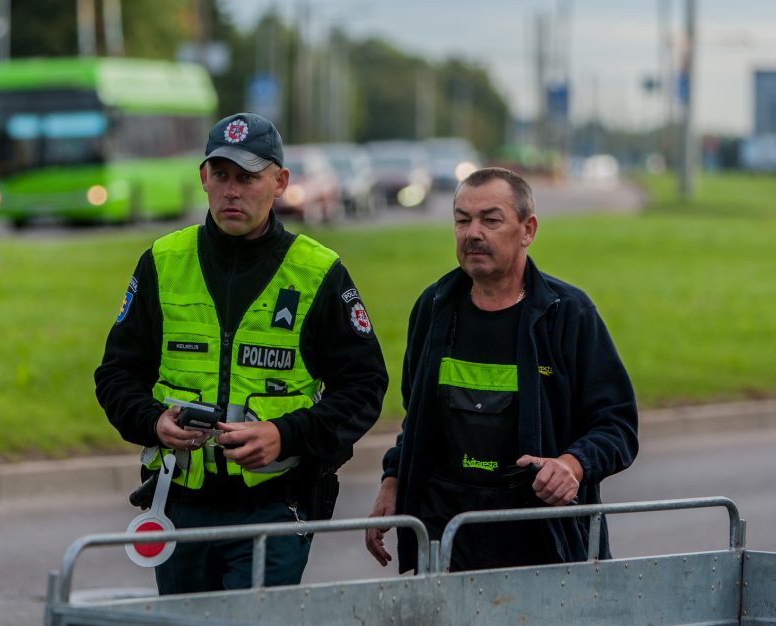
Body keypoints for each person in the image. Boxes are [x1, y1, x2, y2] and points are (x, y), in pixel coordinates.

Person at [95, 112, 388, 594]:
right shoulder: (163, 262)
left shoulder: (318, 272)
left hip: (274, 506)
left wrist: (285, 435)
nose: (233, 191)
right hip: (180, 506)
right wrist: (151, 421)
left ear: (280, 182)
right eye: (222, 176)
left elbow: (364, 386)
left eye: (249, 177)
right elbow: (116, 375)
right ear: (204, 178)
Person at [365, 167, 638, 573]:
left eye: (490, 220)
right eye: (462, 220)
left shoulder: (568, 314)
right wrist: (394, 479)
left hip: (540, 542)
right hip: (448, 538)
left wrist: (572, 465)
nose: (473, 232)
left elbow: (617, 425)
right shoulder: (433, 307)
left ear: (528, 230)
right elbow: (417, 415)